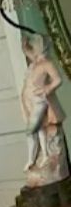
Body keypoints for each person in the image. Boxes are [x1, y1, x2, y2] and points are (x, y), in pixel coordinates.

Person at [21, 33, 68, 182]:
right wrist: (25, 47)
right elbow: (29, 53)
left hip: (39, 101)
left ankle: (34, 158)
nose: (32, 49)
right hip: (30, 102)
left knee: (31, 131)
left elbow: (58, 79)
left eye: (34, 45)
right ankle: (42, 156)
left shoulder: (46, 63)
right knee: (39, 129)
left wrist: (47, 89)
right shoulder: (36, 62)